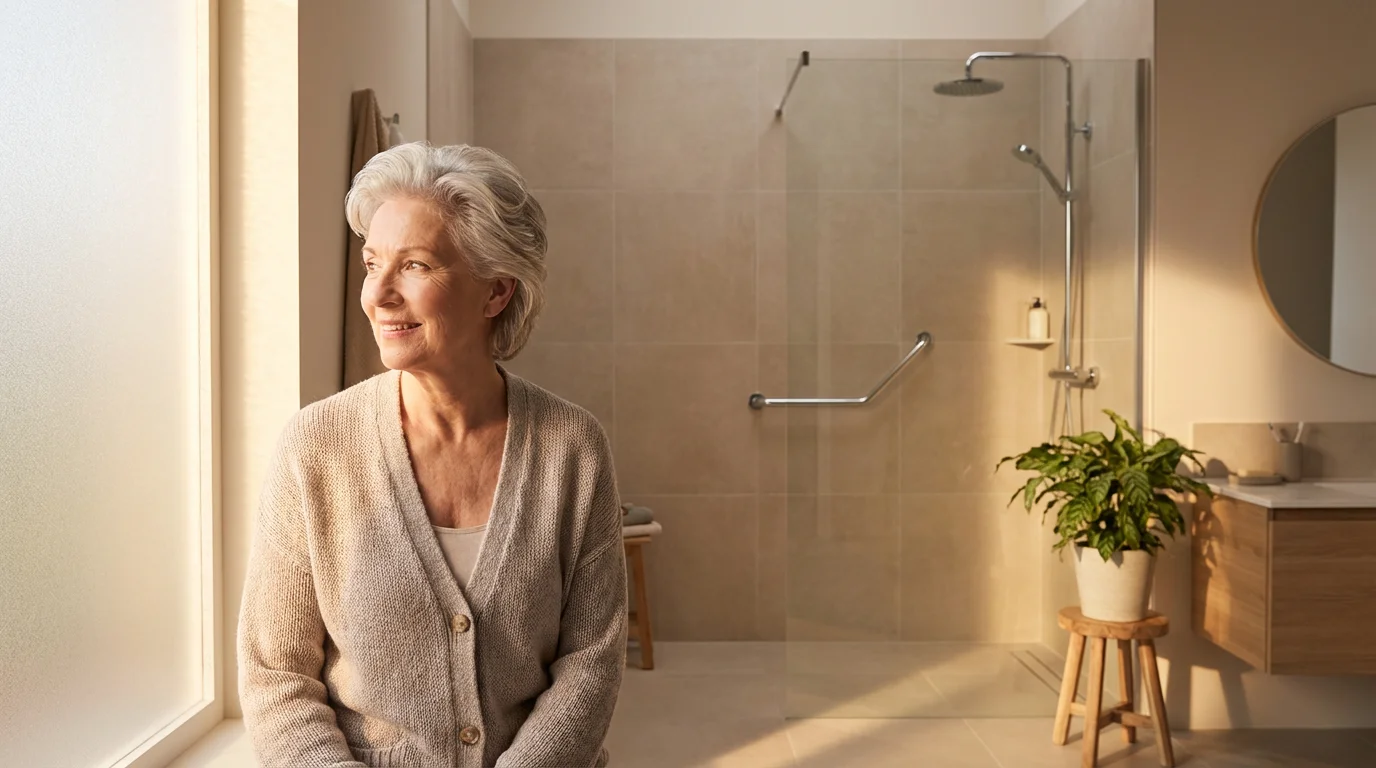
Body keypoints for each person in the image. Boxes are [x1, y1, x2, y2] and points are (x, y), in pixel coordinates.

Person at [237, 143, 627, 768]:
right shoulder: (315, 447)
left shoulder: (571, 448)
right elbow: (276, 676)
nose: (378, 295)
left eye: (414, 266)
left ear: (495, 292)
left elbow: (592, 661)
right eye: (372, 264)